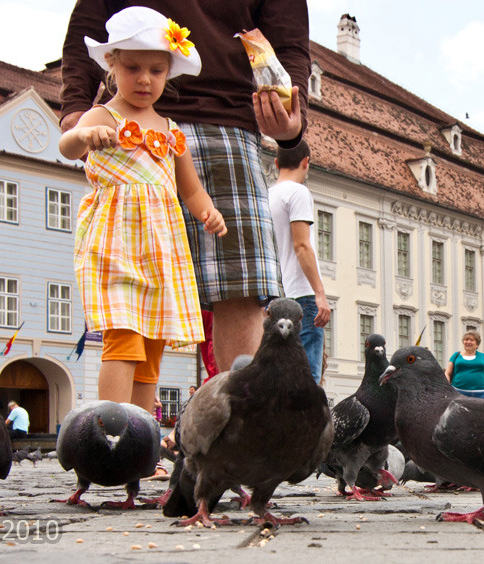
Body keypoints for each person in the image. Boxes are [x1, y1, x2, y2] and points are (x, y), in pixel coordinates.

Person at [61, 0, 310, 373]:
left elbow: (288, 40)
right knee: (132, 292)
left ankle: (240, 424)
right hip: (127, 122)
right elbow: (92, 17)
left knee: (240, 289)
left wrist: (293, 113)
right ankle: (131, 426)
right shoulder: (108, 111)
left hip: (226, 117)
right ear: (113, 63)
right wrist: (76, 110)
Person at [61, 7, 227, 415]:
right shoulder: (104, 115)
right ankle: (109, 433)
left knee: (151, 348)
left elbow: (190, 190)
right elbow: (67, 147)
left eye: (156, 70)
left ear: (168, 72)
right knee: (124, 340)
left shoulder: (171, 131)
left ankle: (139, 441)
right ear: (111, 65)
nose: (144, 79)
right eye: (133, 67)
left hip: (160, 255)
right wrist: (84, 133)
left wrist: (209, 212)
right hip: (114, 247)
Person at [268, 141, 330, 385]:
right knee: (308, 377)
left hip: (276, 296)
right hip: (302, 295)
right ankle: (307, 424)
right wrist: (320, 293)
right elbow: (302, 246)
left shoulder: (267, 195)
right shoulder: (299, 193)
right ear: (306, 162)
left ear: (276, 163)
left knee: (280, 375)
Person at [444, 331, 484, 402]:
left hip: (480, 393)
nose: (468, 342)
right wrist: (445, 389)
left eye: (471, 340)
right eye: (466, 339)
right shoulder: (456, 355)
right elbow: (447, 373)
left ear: (477, 344)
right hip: (458, 392)